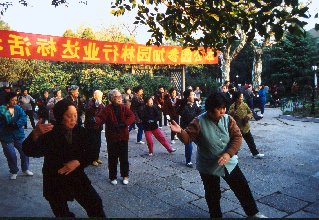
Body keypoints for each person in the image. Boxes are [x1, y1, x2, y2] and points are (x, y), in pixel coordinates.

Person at [170, 92, 267, 218]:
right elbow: (188, 138)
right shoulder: (199, 121)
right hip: (208, 165)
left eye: (224, 108)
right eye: (218, 109)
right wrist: (180, 132)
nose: (222, 111)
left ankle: (253, 213)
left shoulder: (228, 119)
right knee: (212, 193)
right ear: (210, 109)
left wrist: (228, 153)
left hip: (228, 162)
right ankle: (215, 215)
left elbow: (237, 137)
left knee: (242, 187)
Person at [22, 99, 106, 217]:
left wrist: (78, 161)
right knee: (62, 212)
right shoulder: (50, 132)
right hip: (54, 179)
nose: (73, 119)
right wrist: (35, 134)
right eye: (69, 116)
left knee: (95, 204)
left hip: (77, 177)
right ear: (60, 116)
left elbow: (92, 152)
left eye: (75, 115)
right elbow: (30, 151)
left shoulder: (81, 131)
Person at [95, 89, 135, 185]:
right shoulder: (107, 108)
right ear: (112, 98)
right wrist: (95, 120)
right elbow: (100, 118)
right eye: (118, 97)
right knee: (112, 158)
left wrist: (124, 123)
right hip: (112, 137)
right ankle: (112, 176)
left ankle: (125, 175)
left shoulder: (124, 107)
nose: (120, 98)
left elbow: (131, 116)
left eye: (120, 96)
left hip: (123, 136)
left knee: (124, 157)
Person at [0, 92, 33, 180]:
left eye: (16, 100)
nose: (15, 102)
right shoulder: (2, 109)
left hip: (18, 135)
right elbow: (8, 120)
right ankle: (14, 171)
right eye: (12, 100)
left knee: (25, 151)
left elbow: (23, 117)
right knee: (11, 155)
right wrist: (12, 123)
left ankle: (25, 169)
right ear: (8, 100)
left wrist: (17, 124)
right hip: (6, 136)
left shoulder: (18, 108)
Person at [229, 91, 265, 159]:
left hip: (245, 127)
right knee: (236, 142)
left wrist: (248, 116)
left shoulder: (244, 104)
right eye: (241, 97)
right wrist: (233, 113)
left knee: (250, 141)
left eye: (242, 97)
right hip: (237, 128)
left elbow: (250, 112)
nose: (242, 98)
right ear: (237, 99)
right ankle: (234, 154)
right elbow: (229, 116)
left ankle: (255, 153)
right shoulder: (232, 106)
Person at [177, 89, 201, 168]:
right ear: (187, 97)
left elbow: (199, 112)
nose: (194, 96)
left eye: (194, 94)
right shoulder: (183, 106)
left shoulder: (194, 104)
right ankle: (188, 161)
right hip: (186, 128)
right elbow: (185, 115)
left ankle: (205, 157)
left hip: (195, 127)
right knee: (188, 144)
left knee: (201, 143)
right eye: (192, 95)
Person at [84, 90, 105, 166]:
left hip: (98, 126)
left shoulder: (100, 103)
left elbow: (103, 111)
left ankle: (96, 157)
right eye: (99, 96)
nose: (100, 98)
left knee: (98, 143)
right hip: (91, 127)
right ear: (95, 95)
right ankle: (92, 159)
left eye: (101, 96)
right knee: (92, 143)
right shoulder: (90, 102)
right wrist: (98, 105)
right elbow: (92, 112)